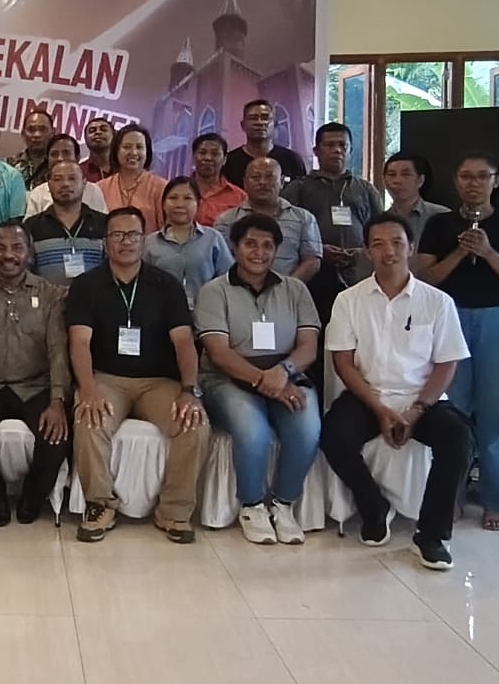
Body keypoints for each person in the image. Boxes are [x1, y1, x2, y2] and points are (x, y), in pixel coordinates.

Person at [324, 212, 474, 570]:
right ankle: (374, 507)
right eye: (378, 244)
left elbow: (446, 364)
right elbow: (343, 363)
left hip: (422, 400)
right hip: (368, 396)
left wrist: (416, 410)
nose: (388, 252)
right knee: (333, 435)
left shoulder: (437, 301)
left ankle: (431, 536)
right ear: (366, 251)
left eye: (396, 243)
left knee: (460, 439)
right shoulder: (349, 300)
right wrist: (379, 410)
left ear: (411, 247)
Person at [68, 207, 208, 544]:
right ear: (105, 242)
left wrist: (189, 390)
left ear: (144, 241)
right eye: (117, 235)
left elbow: (184, 343)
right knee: (89, 418)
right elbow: (79, 342)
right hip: (106, 378)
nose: (125, 241)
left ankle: (174, 511)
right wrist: (88, 388)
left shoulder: (166, 285)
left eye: (132, 234)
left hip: (159, 381)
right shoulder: (86, 285)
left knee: (194, 423)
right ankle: (100, 504)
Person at [417, 153, 499, 533]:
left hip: (498, 317)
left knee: (497, 410)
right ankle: (450, 496)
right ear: (456, 181)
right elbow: (426, 278)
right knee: (453, 409)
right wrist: (460, 251)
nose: (474, 183)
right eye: (466, 176)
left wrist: (487, 252)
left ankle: (496, 500)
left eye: (482, 176)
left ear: (496, 181)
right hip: (450, 317)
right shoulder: (439, 224)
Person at [193, 214, 322, 545]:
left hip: (286, 374)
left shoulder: (295, 289)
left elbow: (308, 347)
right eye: (250, 244)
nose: (259, 253)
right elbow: (219, 353)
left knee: (307, 427)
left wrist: (283, 373)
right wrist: (267, 382)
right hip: (226, 378)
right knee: (253, 431)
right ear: (234, 247)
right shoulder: (214, 291)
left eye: (268, 246)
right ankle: (251, 506)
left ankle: (282, 504)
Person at [0, 223, 71, 526]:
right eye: (1, 248)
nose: (9, 255)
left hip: (36, 386)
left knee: (56, 437)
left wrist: (57, 400)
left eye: (17, 248)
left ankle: (33, 497)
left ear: (29, 253)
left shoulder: (50, 295)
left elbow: (58, 351)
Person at [284, 122, 382, 324]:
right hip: (314, 276)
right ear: (316, 151)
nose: (337, 150)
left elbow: (381, 229)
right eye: (329, 145)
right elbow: (287, 233)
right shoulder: (298, 188)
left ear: (350, 150)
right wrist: (318, 250)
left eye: (342, 145)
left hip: (358, 274)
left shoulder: (366, 189)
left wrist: (362, 252)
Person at [214, 158, 322, 283]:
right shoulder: (226, 220)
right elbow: (222, 262)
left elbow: (312, 260)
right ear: (245, 183)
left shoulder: (304, 218)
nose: (262, 182)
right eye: (256, 177)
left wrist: (286, 287)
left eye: (270, 177)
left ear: (282, 182)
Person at [143, 177, 233, 306]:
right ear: (163, 204)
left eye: (187, 198)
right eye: (173, 198)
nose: (180, 204)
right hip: (162, 311)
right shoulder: (150, 242)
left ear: (198, 204)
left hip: (207, 309)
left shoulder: (213, 238)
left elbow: (228, 277)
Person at [23, 160, 107, 285]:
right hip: (47, 297)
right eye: (58, 179)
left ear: (84, 183)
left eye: (72, 178)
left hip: (96, 296)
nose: (65, 184)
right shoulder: (32, 226)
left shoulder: (103, 223)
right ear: (49, 185)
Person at [221, 99, 308, 188]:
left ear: (275, 124)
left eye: (265, 118)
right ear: (243, 125)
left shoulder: (292, 160)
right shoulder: (229, 162)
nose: (260, 123)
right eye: (253, 118)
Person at [97, 124, 165, 232]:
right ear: (116, 151)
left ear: (147, 152)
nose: (133, 152)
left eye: (139, 147)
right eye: (127, 147)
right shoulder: (99, 188)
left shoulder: (162, 188)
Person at [25, 134, 109, 215]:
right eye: (54, 154)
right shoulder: (38, 194)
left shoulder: (93, 190)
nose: (60, 158)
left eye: (66, 153)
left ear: (77, 158)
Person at [384, 151, 450, 251]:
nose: (397, 180)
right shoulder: (381, 221)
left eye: (406, 174)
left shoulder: (442, 216)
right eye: (391, 174)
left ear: (420, 180)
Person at [190, 133, 247, 227]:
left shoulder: (239, 197)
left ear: (224, 159)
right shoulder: (179, 190)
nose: (208, 158)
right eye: (202, 153)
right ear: (193, 156)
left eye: (215, 154)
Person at [10, 109, 55, 189]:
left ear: (53, 133)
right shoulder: (9, 165)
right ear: (23, 134)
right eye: (31, 130)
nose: (37, 135)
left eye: (43, 129)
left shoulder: (58, 166)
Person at [80, 117, 116, 183]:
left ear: (114, 136)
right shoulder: (79, 171)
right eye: (92, 131)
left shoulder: (124, 168)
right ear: (85, 139)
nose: (98, 132)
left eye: (104, 130)